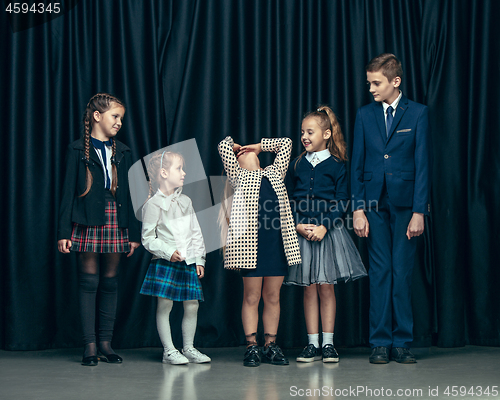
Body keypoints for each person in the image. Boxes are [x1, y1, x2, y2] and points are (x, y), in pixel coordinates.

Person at [350, 53, 431, 364]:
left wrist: (419, 211)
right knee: (380, 272)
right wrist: (358, 209)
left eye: (376, 83)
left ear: (395, 82)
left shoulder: (418, 114)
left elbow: (423, 165)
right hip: (373, 205)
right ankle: (380, 342)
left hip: (406, 207)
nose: (370, 88)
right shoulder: (364, 115)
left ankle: (402, 342)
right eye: (369, 82)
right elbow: (357, 164)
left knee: (402, 271)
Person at [57, 93, 141, 366]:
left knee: (110, 281)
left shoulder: (124, 151)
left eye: (121, 119)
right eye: (114, 116)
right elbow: (67, 192)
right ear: (97, 116)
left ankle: (106, 343)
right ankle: (89, 346)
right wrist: (63, 231)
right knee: (88, 281)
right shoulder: (76, 150)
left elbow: (130, 194)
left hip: (116, 218)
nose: (118, 123)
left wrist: (133, 233)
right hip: (86, 218)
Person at [284, 106, 366, 363]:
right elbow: (289, 200)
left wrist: (324, 226)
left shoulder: (338, 165)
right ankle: (312, 344)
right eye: (302, 132)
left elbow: (342, 201)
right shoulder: (297, 164)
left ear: (327, 134)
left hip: (328, 233)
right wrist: (297, 224)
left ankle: (329, 343)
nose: (304, 137)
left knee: (326, 288)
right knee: (308, 288)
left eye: (310, 132)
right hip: (302, 232)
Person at [218, 136, 301, 367]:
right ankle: (251, 345)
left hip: (276, 244)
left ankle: (271, 345)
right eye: (240, 154)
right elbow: (223, 146)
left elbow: (286, 144)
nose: (244, 152)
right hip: (250, 248)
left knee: (273, 297)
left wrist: (259, 146)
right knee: (252, 297)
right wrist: (235, 148)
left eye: (247, 151)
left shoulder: (275, 173)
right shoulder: (238, 177)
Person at [140, 151, 210, 365]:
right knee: (165, 306)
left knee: (192, 305)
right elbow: (147, 238)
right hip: (165, 262)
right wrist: (168, 251)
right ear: (163, 172)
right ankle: (169, 350)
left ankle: (188, 347)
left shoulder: (185, 201)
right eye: (179, 168)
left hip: (188, 262)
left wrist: (199, 258)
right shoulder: (152, 204)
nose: (184, 173)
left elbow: (196, 231)